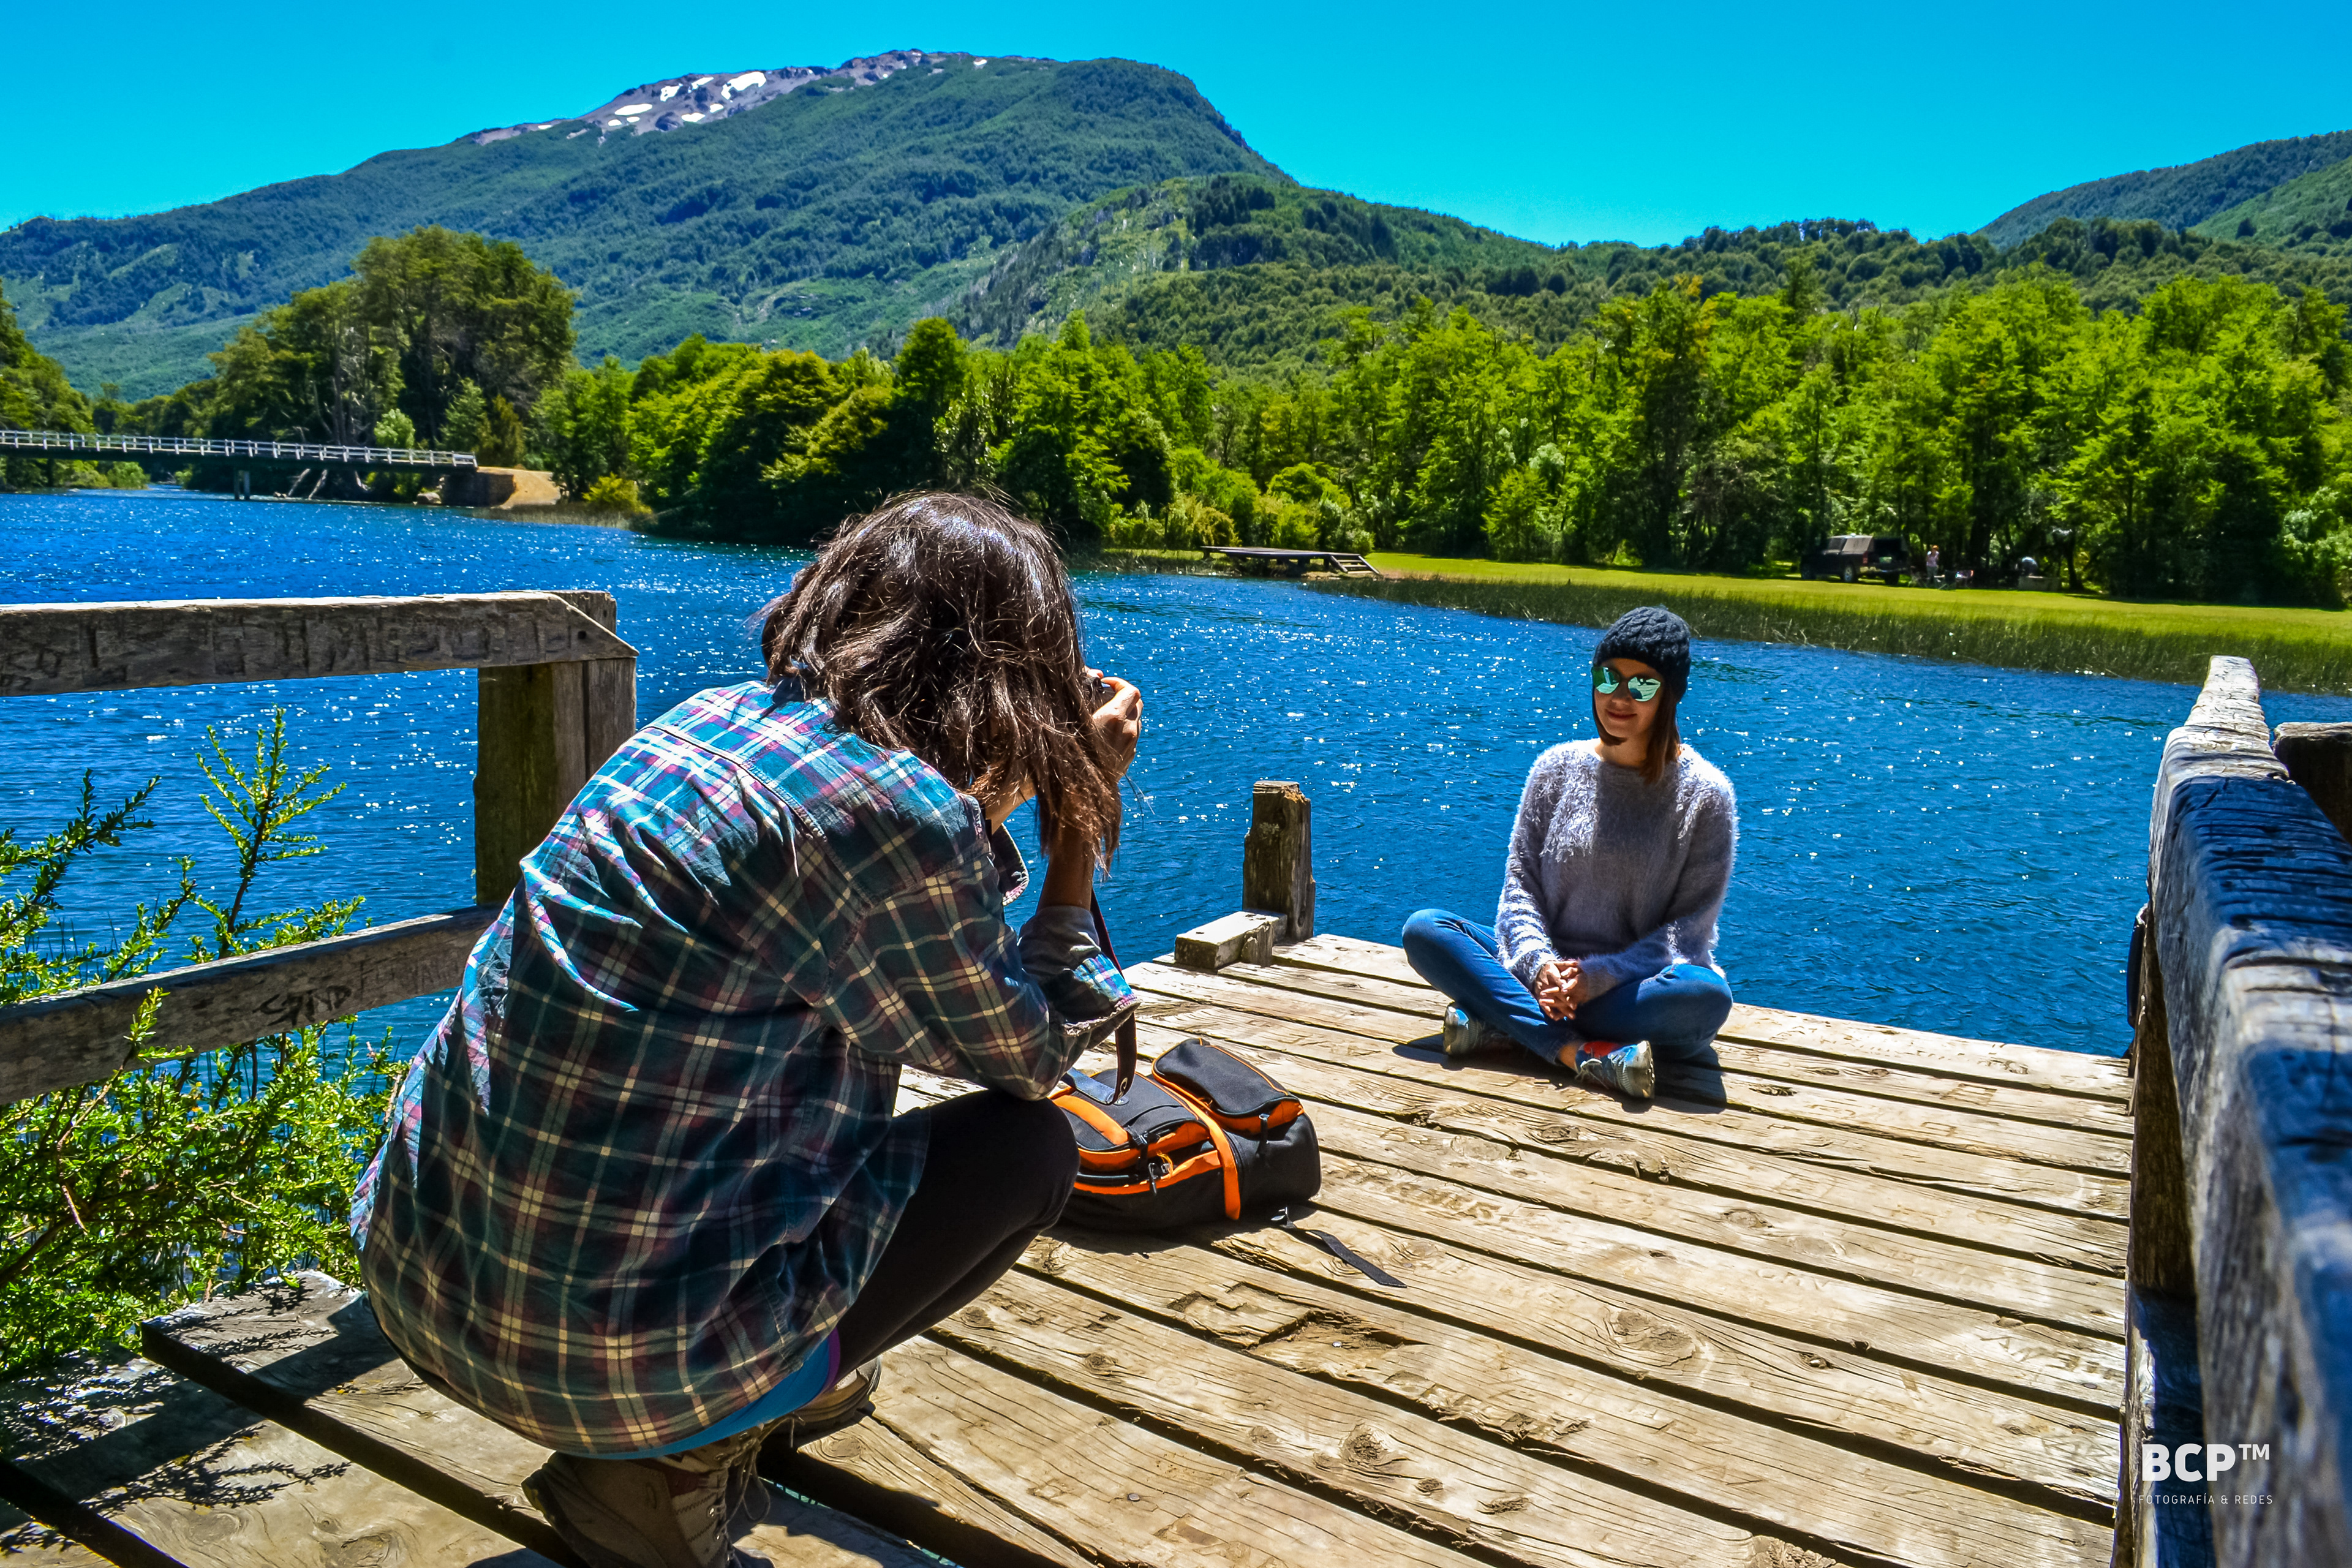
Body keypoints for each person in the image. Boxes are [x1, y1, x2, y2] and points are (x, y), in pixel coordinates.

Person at [350, 492, 1143, 1568]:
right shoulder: (901, 820)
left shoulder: (700, 723)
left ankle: (757, 1385)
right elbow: (1032, 1054)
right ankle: (675, 1461)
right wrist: (1077, 820)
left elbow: (865, 890)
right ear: (1018, 666)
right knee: (1028, 1151)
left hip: (417, 1282)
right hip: (598, 1365)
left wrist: (994, 807)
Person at [1400, 606, 1737, 1100]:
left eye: (1642, 686)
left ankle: (1504, 1020)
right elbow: (1520, 889)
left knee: (1705, 997)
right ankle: (1579, 1053)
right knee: (1427, 930)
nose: (1619, 698)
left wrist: (1598, 978)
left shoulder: (1707, 796)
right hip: (1548, 972)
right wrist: (1539, 965)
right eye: (1608, 678)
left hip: (1633, 988)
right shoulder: (1554, 769)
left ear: (1671, 695)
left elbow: (1684, 934)